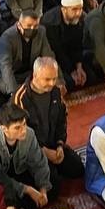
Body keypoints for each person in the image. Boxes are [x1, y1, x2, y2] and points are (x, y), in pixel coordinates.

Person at [14, 57, 84, 185]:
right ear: (35, 75)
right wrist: (44, 152)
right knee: (53, 185)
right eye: (47, 79)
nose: (52, 83)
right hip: (32, 151)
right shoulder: (20, 98)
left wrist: (59, 145)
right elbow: (20, 136)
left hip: (53, 144)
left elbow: (61, 121)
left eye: (54, 79)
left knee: (78, 169)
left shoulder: (56, 92)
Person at [0, 103, 52, 209]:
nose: (23, 130)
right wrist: (27, 190)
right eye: (17, 128)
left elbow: (38, 162)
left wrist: (43, 190)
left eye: (24, 124)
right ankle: (24, 206)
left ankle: (25, 207)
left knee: (53, 181)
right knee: (4, 197)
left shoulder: (29, 133)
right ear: (5, 129)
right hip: (2, 179)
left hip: (20, 170)